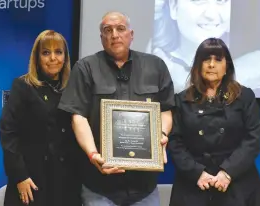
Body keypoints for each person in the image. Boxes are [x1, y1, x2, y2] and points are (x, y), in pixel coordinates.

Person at [58, 11, 175, 206]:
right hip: (99, 187)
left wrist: (161, 134)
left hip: (144, 188)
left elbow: (166, 110)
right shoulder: (85, 68)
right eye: (108, 30)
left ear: (131, 34)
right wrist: (93, 154)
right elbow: (77, 116)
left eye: (120, 29)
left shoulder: (156, 66)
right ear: (101, 37)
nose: (114, 34)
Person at [167, 37, 260, 206]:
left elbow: (253, 139)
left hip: (237, 181)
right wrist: (197, 173)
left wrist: (227, 172)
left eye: (218, 59)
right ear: (198, 66)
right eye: (206, 59)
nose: (211, 65)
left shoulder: (244, 97)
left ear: (226, 66)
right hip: (194, 183)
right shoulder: (182, 100)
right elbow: (175, 142)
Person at [0, 30, 82, 206]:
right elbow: (8, 134)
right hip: (31, 180)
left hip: (65, 182)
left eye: (58, 52)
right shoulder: (23, 86)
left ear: (65, 57)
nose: (53, 58)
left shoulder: (74, 88)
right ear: (37, 57)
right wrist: (20, 176)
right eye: (46, 52)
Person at [146, 0, 260, 97]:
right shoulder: (154, 56)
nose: (212, 14)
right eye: (198, 2)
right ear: (173, 7)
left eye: (221, 1)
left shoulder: (253, 48)